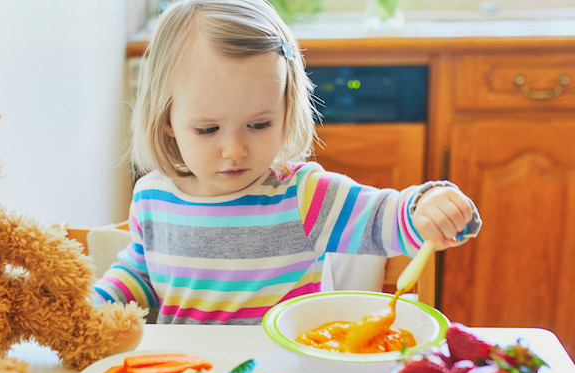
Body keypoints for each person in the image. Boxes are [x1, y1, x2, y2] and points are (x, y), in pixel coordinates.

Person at [93, 0, 481, 324]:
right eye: (209, 129)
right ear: (167, 120)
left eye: (259, 124)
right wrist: (95, 304)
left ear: (286, 108)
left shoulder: (304, 196)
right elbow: (140, 274)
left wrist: (427, 207)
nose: (235, 150)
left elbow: (385, 219)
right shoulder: (151, 197)